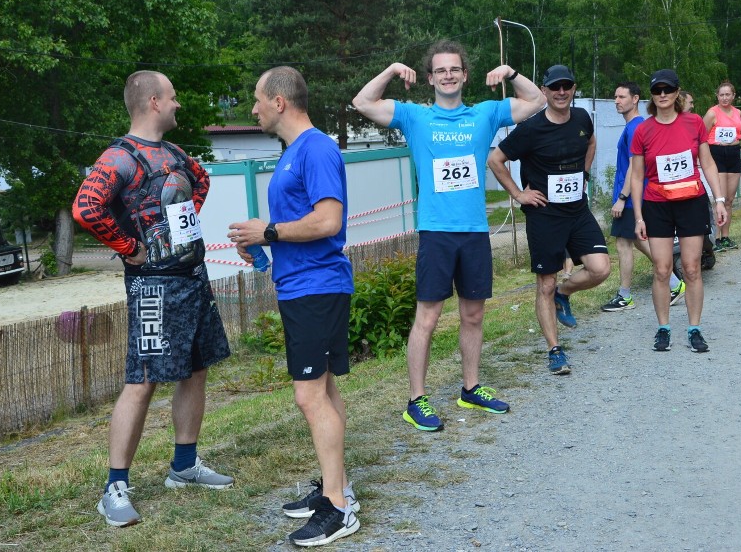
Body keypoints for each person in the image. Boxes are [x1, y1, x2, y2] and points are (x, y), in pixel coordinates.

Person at [352, 40, 545, 431]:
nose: (448, 75)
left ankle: (471, 388)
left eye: (454, 69)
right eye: (440, 70)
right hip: (437, 233)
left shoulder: (485, 114)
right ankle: (416, 400)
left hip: (474, 231)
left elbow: (537, 101)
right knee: (428, 317)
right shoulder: (414, 117)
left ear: (465, 75)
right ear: (430, 78)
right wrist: (391, 69)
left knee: (473, 314)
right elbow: (362, 102)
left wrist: (510, 73)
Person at [72, 71, 233, 528]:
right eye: (174, 98)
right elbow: (86, 208)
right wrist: (132, 248)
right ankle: (114, 487)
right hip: (152, 286)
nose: (179, 104)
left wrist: (178, 228)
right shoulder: (119, 158)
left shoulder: (176, 154)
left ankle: (184, 465)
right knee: (142, 381)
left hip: (193, 277)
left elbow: (200, 183)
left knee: (196, 369)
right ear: (155, 102)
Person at [228, 66, 359, 546]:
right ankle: (336, 488)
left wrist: (269, 230)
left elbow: (327, 220)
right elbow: (296, 225)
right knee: (321, 390)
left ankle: (339, 509)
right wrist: (262, 243)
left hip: (317, 287)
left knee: (308, 396)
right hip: (302, 285)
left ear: (280, 101)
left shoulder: (317, 148)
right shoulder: (294, 153)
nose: (253, 108)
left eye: (258, 99)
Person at [487, 65, 610, 375]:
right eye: (555, 87)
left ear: (573, 88)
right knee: (546, 282)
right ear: (544, 91)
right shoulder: (531, 129)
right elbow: (495, 159)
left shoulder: (582, 117)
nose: (561, 92)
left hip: (577, 210)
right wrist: (518, 194)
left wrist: (583, 172)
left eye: (566, 86)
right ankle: (555, 350)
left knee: (600, 269)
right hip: (545, 216)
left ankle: (564, 294)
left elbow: (591, 142)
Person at [630, 69, 727, 353]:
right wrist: (638, 216)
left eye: (667, 90)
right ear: (652, 95)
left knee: (692, 268)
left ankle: (694, 328)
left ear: (676, 93)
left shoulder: (694, 122)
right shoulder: (643, 130)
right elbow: (637, 177)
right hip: (657, 205)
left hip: (691, 202)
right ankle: (663, 328)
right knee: (662, 269)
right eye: (657, 90)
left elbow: (707, 163)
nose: (662, 95)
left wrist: (718, 199)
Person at [602, 82, 685, 313]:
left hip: (629, 198)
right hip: (634, 197)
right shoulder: (634, 125)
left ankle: (625, 296)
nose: (617, 101)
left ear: (635, 99)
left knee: (623, 243)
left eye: (621, 97)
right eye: (615, 97)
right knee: (639, 241)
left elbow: (633, 167)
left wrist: (622, 197)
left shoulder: (635, 126)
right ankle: (675, 284)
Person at [703, 81, 741, 251]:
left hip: (734, 154)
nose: (725, 98)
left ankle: (725, 237)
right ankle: (715, 238)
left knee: (729, 199)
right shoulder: (712, 113)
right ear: (717, 96)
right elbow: (702, 136)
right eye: (722, 95)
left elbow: (739, 132)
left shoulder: (738, 112)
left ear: (733, 96)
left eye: (728, 94)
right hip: (717, 154)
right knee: (719, 198)